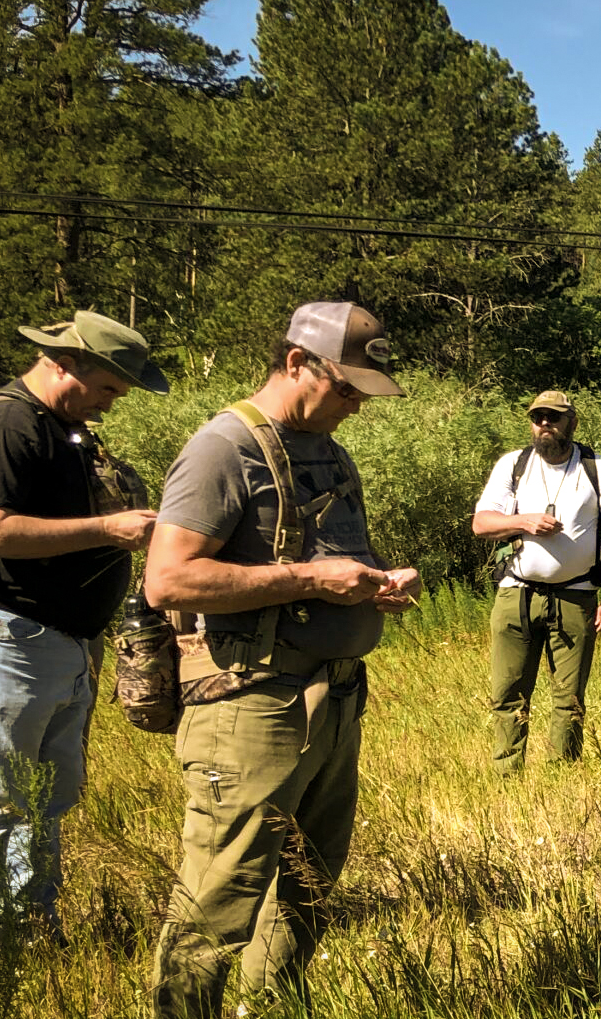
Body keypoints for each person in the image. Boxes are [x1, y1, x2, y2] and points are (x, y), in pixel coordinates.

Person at [147, 301, 421, 1018]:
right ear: (298, 362)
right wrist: (309, 581)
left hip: (332, 701)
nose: (357, 405)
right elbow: (168, 579)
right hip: (251, 705)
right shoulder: (222, 448)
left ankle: (268, 1009)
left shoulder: (329, 449)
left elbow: (331, 557)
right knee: (220, 897)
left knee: (309, 886)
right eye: (348, 388)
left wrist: (379, 580)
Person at [0, 312, 167, 973]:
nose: (110, 403)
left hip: (53, 639)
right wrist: (110, 531)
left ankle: (31, 925)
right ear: (70, 364)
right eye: (110, 389)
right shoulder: (4, 424)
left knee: (43, 796)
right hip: (0, 631)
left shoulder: (64, 428)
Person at [472, 390, 601, 773]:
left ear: (571, 423)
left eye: (553, 417)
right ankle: (506, 774)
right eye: (537, 417)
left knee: (569, 695)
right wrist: (523, 521)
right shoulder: (514, 465)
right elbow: (482, 524)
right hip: (516, 593)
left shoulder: (597, 469)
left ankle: (563, 774)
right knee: (508, 692)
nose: (544, 424)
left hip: (577, 596)